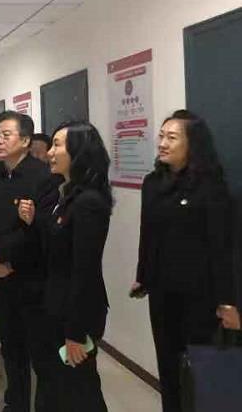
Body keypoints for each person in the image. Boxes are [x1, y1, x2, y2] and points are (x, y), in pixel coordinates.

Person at [130, 110, 241, 412]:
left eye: (172, 137)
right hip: (162, 293)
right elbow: (148, 233)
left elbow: (221, 248)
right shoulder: (153, 183)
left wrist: (228, 301)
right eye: (161, 136)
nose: (162, 143)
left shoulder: (211, 187)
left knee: (199, 371)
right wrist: (143, 274)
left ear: (193, 143)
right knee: (168, 367)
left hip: (200, 297)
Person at [33, 121, 112, 412]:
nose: (49, 153)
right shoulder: (66, 195)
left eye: (57, 145)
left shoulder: (88, 202)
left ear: (78, 152)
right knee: (58, 385)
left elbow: (84, 270)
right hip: (56, 305)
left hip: (75, 313)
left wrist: (76, 331)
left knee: (80, 391)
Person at [0, 111, 51, 412]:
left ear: (25, 140)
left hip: (31, 276)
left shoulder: (42, 176)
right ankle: (16, 403)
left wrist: (0, 254)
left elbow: (36, 229)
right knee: (9, 344)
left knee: (38, 348)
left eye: (6, 135)